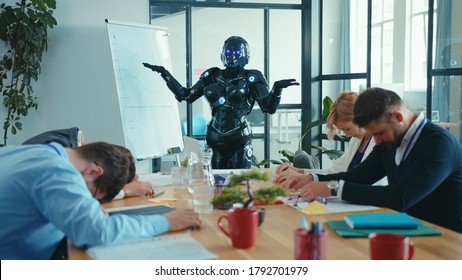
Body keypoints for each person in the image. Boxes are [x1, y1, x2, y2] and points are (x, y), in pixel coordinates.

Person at [280, 87, 462, 233]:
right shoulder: (391, 138)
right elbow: (360, 176)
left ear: (397, 117)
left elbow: (400, 197)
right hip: (410, 229)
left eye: (379, 133)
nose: (376, 141)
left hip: (446, 238)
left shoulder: (438, 144)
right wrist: (312, 179)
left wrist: (332, 188)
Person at [0, 141, 201, 259]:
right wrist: (166, 221)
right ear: (94, 171)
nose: (86, 199)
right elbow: (96, 231)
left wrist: (87, 210)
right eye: (90, 194)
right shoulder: (56, 170)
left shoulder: (34, 152)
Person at [143, 36, 299, 169]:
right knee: (214, 180)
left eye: (236, 52)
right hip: (214, 136)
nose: (232, 56)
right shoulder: (212, 75)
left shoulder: (252, 76)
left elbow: (268, 107)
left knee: (239, 181)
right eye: (229, 52)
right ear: (223, 54)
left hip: (239, 137)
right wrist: (165, 73)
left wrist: (277, 90)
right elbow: (186, 95)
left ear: (244, 55)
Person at [274, 91, 386, 186]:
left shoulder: (381, 144)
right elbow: (334, 171)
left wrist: (309, 178)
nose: (347, 135)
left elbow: (361, 179)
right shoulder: (356, 141)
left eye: (348, 129)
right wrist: (299, 171)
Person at [23, 127, 154, 199]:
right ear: (95, 171)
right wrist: (123, 192)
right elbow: (70, 199)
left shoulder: (68, 146)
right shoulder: (56, 155)